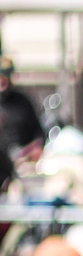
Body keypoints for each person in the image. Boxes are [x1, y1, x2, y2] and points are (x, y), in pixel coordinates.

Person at [0, 57, 45, 191]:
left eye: (6, 76)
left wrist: (35, 149)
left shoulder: (22, 102)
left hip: (23, 164)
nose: (3, 80)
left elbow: (38, 133)